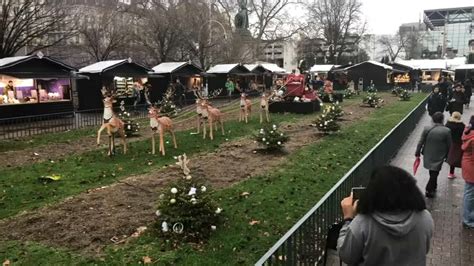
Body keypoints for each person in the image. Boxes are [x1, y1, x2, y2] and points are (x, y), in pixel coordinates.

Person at [337, 166, 434, 265]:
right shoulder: (425, 218)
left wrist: (348, 218)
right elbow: (424, 249)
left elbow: (347, 255)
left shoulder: (363, 223)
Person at [415, 112, 452, 198]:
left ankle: (433, 186)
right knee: (435, 172)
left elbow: (421, 141)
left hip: (428, 154)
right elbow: (450, 145)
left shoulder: (426, 128)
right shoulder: (447, 131)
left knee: (433, 171)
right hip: (440, 155)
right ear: (442, 119)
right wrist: (448, 157)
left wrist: (417, 152)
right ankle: (429, 189)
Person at [462, 115, 474, 228]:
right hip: (472, 169)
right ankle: (468, 219)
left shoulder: (468, 132)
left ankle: (468, 216)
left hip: (467, 166)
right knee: (470, 194)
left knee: (469, 193)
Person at [445, 112, 465, 179]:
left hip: (448, 142)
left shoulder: (448, 124)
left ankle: (451, 173)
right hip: (458, 143)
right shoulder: (462, 125)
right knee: (456, 158)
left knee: (450, 157)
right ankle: (453, 173)